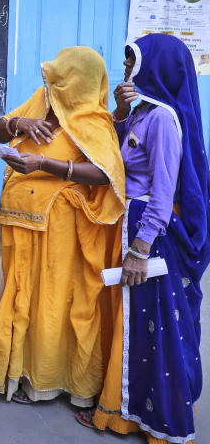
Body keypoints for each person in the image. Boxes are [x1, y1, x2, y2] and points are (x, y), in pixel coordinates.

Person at [0, 46, 125, 408]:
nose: (52, 86)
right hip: (18, 221)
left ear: (78, 82)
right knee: (18, 298)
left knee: (51, 304)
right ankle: (15, 373)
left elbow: (107, 173)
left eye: (60, 79)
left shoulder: (93, 118)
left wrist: (46, 164)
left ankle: (46, 380)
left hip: (60, 231)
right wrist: (19, 124)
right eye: (51, 79)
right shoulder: (42, 100)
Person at [87, 35, 207, 443]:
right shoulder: (141, 113)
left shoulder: (163, 120)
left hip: (150, 239)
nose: (125, 73)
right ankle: (127, 411)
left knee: (158, 330)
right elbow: (120, 156)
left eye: (131, 64)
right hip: (134, 229)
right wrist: (120, 111)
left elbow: (162, 189)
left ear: (154, 69)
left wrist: (140, 250)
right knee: (135, 327)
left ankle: (161, 424)